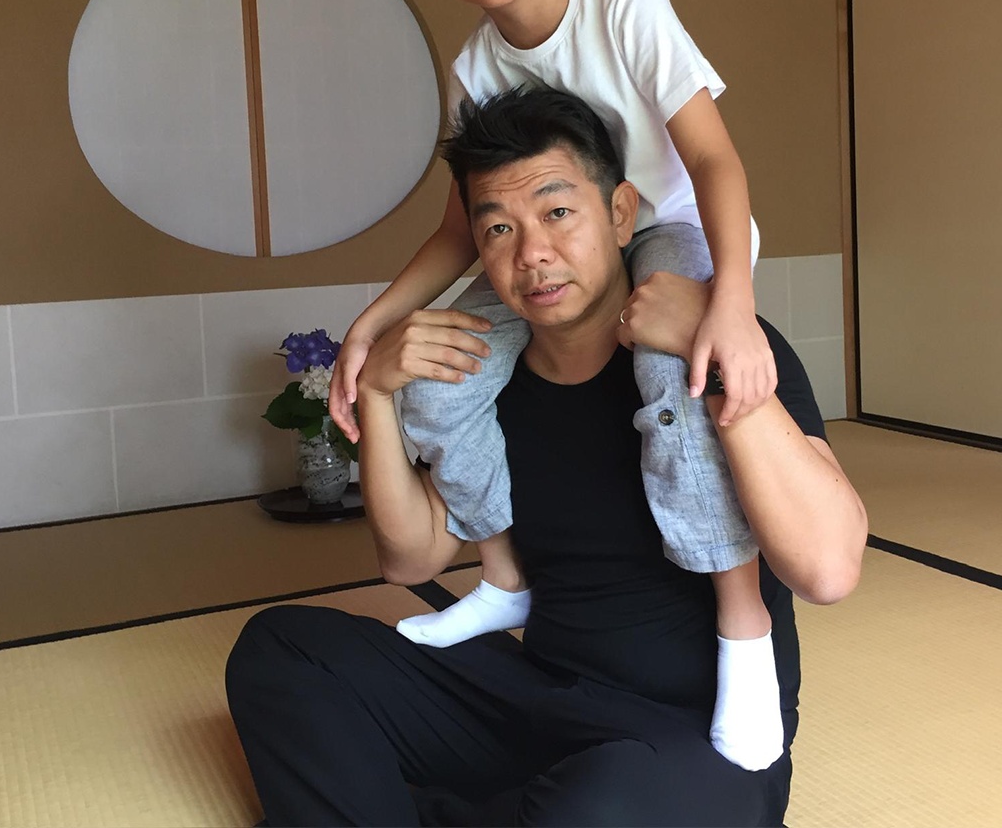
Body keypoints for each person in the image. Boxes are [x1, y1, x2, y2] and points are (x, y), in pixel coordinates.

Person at [228, 89, 867, 827]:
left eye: (558, 212)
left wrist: (711, 352)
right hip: (540, 698)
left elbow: (828, 568)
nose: (531, 253)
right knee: (284, 650)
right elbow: (410, 560)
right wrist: (374, 394)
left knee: (604, 806)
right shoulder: (489, 382)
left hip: (694, 741)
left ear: (620, 213)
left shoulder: (734, 344)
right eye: (499, 228)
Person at [330, 0, 779, 769]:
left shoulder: (626, 5)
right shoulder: (474, 69)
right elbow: (463, 228)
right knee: (440, 376)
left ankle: (741, 619)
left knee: (672, 385)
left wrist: (734, 307)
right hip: (555, 250)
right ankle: (503, 575)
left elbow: (714, 160)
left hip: (665, 229)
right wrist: (374, 326)